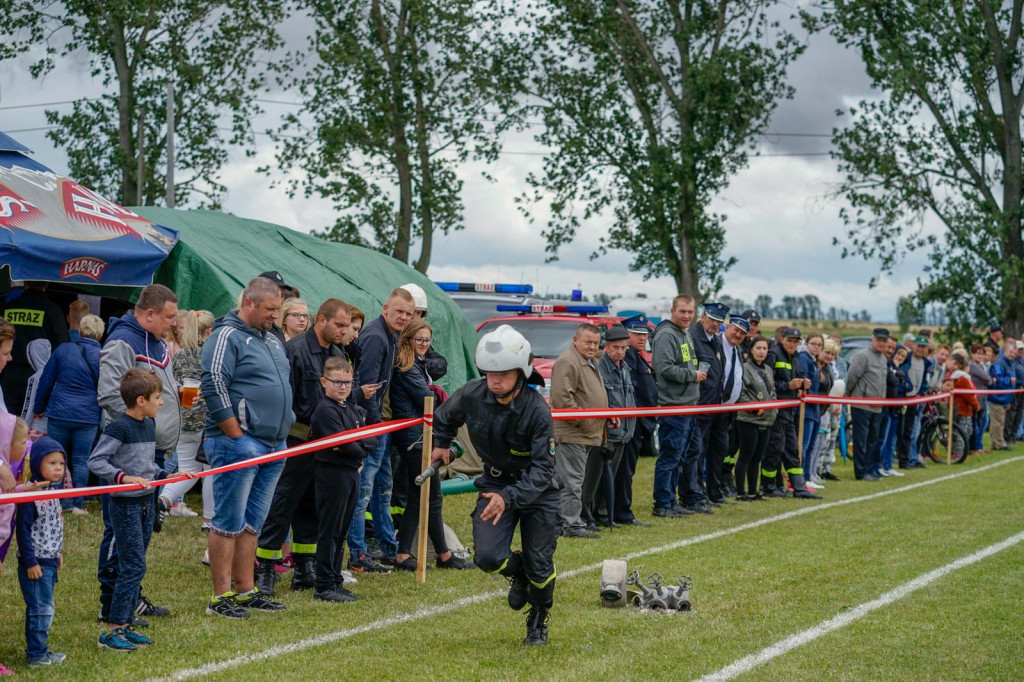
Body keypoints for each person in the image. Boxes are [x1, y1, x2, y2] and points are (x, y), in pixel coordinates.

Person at [430, 325, 560, 645]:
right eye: (489, 372)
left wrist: (510, 498)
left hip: (537, 491)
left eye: (502, 373)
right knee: (487, 557)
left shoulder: (537, 411)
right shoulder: (472, 393)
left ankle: (539, 617)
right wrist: (442, 443)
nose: (494, 380)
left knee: (540, 566)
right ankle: (518, 573)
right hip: (494, 484)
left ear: (521, 372)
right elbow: (445, 416)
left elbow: (544, 468)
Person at [202, 276, 295, 618]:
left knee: (252, 522)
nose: (275, 315)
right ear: (250, 303)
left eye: (278, 309)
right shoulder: (226, 335)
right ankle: (220, 596)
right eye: (270, 309)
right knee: (228, 520)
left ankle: (245, 590)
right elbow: (214, 381)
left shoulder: (271, 339)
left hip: (273, 443)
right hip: (238, 442)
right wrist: (234, 432)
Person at [256, 298, 359, 594]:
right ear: (321, 320)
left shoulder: (339, 353)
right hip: (297, 440)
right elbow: (283, 399)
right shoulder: (295, 351)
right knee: (283, 504)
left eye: (346, 326)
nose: (344, 331)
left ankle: (305, 566)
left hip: (326, 446)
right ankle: (265, 566)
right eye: (339, 325)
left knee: (313, 506)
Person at [96, 284, 180, 625]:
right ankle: (111, 603)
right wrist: (138, 430)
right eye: (170, 317)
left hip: (152, 454)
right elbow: (109, 395)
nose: (174, 323)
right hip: (128, 456)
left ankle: (130, 595)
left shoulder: (158, 343)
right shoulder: (123, 341)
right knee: (119, 531)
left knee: (141, 532)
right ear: (149, 314)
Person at [89, 369, 184, 651]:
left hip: (146, 502)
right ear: (141, 400)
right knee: (132, 565)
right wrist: (123, 478)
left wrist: (162, 475)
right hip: (126, 505)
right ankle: (112, 629)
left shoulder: (148, 425)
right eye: (158, 397)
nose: (163, 402)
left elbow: (143, 466)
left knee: (136, 563)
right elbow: (96, 461)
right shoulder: (119, 427)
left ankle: (126, 623)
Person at [389, 318, 473, 570]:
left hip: (419, 436)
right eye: (420, 340)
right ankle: (444, 556)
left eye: (427, 340)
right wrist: (446, 401)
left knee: (418, 499)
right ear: (408, 340)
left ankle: (404, 554)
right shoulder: (406, 367)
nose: (424, 344)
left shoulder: (417, 363)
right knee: (433, 497)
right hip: (415, 439)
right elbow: (427, 399)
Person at [348, 288, 415, 572]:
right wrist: (374, 427)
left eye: (409, 314)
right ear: (385, 308)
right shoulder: (376, 336)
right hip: (371, 425)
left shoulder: (391, 335)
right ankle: (358, 554)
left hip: (382, 424)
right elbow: (368, 387)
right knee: (363, 492)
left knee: (382, 490)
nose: (403, 317)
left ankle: (389, 547)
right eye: (399, 311)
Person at [309, 357, 377, 603]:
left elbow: (369, 441)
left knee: (342, 529)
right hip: (332, 474)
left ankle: (335, 578)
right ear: (324, 382)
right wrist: (356, 445)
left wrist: (357, 445)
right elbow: (350, 445)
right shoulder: (325, 410)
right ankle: (324, 584)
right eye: (337, 382)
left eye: (347, 382)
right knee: (330, 529)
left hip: (351, 473)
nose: (342, 387)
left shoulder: (349, 409)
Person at [33, 314, 105, 514]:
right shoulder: (103, 355)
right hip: (88, 416)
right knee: (81, 460)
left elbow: (46, 381)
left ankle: (56, 502)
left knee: (55, 459)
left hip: (59, 413)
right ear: (99, 336)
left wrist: (39, 407)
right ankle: (77, 505)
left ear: (80, 331)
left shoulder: (63, 349)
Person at [551, 323, 610, 538]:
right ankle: (572, 526)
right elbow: (561, 399)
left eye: (595, 343)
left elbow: (590, 395)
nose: (592, 346)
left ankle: (569, 522)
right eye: (588, 342)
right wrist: (587, 421)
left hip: (586, 433)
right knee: (572, 483)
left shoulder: (590, 361)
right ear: (575, 340)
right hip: (572, 434)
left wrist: (606, 414)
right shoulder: (568, 361)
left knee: (576, 480)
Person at [15, 436, 67, 667]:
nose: (58, 468)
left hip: (49, 560)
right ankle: (37, 654)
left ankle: (40, 650)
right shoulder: (32, 495)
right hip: (36, 563)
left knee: (45, 606)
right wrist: (31, 561)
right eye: (52, 463)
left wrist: (58, 553)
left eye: (61, 464)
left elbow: (54, 525)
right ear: (37, 465)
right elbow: (23, 532)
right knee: (40, 609)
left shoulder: (53, 492)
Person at [650, 294, 704, 518]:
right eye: (682, 311)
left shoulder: (684, 334)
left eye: (690, 312)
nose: (686, 316)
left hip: (687, 405)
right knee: (670, 455)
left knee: (680, 456)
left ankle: (671, 500)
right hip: (673, 406)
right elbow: (664, 368)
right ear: (672, 311)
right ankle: (662, 503)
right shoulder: (666, 335)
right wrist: (692, 375)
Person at [160, 310, 215, 523]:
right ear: (209, 331)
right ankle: (210, 520)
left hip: (184, 421)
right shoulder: (212, 354)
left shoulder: (181, 354)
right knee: (210, 470)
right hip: (207, 421)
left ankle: (163, 500)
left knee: (188, 470)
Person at [764, 327, 820, 499]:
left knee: (791, 448)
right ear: (782, 339)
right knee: (774, 448)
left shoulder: (795, 356)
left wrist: (804, 383)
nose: (792, 344)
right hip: (776, 409)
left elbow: (799, 376)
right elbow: (767, 381)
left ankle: (799, 486)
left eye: (796, 342)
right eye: (789, 341)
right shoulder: (773, 354)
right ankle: (768, 485)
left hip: (790, 410)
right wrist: (788, 386)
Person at [0, 281, 70, 414]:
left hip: (8, 375)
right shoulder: (53, 310)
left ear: (25, 283)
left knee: (6, 419)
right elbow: (63, 346)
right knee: (31, 424)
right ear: (47, 284)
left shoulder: (8, 307)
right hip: (39, 377)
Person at [686, 302, 729, 512]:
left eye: (719, 321)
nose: (715, 324)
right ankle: (693, 494)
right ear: (703, 316)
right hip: (698, 405)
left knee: (703, 452)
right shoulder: (693, 337)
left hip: (713, 406)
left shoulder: (715, 340)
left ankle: (701, 492)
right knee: (694, 452)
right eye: (712, 319)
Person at [592, 326, 635, 527]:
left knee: (612, 476)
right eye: (615, 347)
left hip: (624, 431)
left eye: (624, 348)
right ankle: (598, 514)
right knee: (599, 477)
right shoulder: (600, 369)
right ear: (606, 347)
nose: (620, 351)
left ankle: (604, 513)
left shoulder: (625, 367)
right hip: (607, 432)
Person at [615, 315, 655, 527]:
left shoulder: (636, 356)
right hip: (631, 423)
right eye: (637, 334)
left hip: (638, 423)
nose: (642, 338)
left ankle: (621, 510)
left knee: (627, 470)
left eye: (645, 334)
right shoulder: (627, 357)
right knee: (623, 471)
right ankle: (621, 512)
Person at [709, 314, 748, 503]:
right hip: (711, 408)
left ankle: (715, 491)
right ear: (727, 327)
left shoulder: (737, 350)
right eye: (736, 330)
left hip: (727, 411)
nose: (738, 335)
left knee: (720, 451)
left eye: (742, 333)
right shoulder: (715, 345)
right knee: (703, 451)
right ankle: (699, 492)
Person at [734, 336, 776, 501]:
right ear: (751, 350)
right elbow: (740, 392)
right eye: (758, 348)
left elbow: (772, 392)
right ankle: (740, 492)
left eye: (764, 348)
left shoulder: (768, 369)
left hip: (766, 419)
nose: (761, 351)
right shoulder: (745, 368)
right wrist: (752, 408)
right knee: (745, 456)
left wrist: (773, 409)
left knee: (757, 457)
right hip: (748, 419)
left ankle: (752, 492)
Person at [846, 328, 890, 481]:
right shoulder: (863, 356)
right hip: (861, 405)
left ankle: (870, 469)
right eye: (878, 340)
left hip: (877, 406)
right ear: (872, 339)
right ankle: (860, 472)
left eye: (884, 341)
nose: (881, 343)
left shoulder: (883, 358)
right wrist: (850, 396)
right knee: (861, 440)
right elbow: (852, 377)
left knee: (873, 440)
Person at [899, 335, 932, 469]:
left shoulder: (926, 363)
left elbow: (925, 381)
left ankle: (908, 459)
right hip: (903, 398)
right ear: (913, 346)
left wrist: (921, 393)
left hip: (916, 399)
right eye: (918, 346)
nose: (920, 349)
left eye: (923, 347)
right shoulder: (906, 358)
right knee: (899, 431)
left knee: (910, 431)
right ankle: (901, 458)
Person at [807, 338, 837, 486]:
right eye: (827, 352)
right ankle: (808, 474)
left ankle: (813, 472)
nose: (829, 356)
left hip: (823, 410)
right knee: (812, 444)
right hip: (814, 409)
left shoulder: (827, 368)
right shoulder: (815, 368)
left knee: (820, 444)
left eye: (833, 354)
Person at [879, 345, 911, 477]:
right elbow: (893, 383)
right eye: (898, 354)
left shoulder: (903, 370)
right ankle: (880, 464)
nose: (899, 357)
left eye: (903, 356)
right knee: (883, 438)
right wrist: (898, 378)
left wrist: (899, 377)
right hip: (887, 407)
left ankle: (888, 465)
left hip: (897, 409)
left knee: (892, 439)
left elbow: (908, 386)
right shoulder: (888, 366)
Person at [797, 333, 824, 488]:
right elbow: (805, 384)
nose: (816, 347)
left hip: (815, 408)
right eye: (813, 343)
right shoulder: (804, 358)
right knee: (804, 445)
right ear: (807, 343)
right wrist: (817, 397)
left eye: (819, 345)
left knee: (811, 445)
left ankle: (807, 476)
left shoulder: (814, 361)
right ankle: (802, 478)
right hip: (806, 408)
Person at [944, 352, 980, 460]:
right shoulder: (962, 378)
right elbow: (968, 395)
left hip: (957, 409)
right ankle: (958, 454)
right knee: (963, 432)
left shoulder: (955, 377)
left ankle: (957, 452)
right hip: (963, 410)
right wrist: (976, 405)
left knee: (960, 432)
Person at [987, 340, 1016, 451]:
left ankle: (996, 443)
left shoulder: (1011, 363)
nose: (1012, 354)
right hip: (997, 397)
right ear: (1005, 351)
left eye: (1014, 352)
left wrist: (1008, 400)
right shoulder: (999, 363)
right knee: (997, 422)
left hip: (1004, 398)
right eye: (1011, 352)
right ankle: (999, 443)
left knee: (1000, 421)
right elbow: (997, 380)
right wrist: (1009, 381)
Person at [19, 339, 51, 435]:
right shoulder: (57, 372)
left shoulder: (36, 378)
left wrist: (21, 428)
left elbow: (29, 405)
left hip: (37, 428)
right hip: (55, 427)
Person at [258, 271, 294, 344]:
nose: (279, 301)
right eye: (274, 294)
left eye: (282, 296)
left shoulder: (277, 331)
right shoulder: (236, 330)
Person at [968, 343, 992, 454]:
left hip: (983, 398)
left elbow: (989, 381)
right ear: (972, 354)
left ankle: (979, 445)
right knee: (976, 424)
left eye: (982, 354)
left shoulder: (981, 366)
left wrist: (987, 380)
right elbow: (987, 378)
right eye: (978, 354)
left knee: (983, 422)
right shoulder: (972, 366)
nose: (980, 356)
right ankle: (975, 447)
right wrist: (986, 380)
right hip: (976, 399)